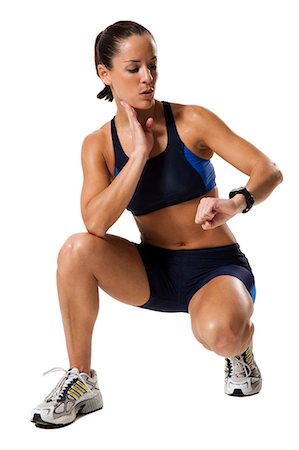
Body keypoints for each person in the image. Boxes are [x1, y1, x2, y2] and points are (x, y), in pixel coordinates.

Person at [31, 20, 283, 428]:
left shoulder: (191, 120)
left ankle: (241, 351)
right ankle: (81, 378)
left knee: (222, 334)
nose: (147, 77)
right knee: (76, 249)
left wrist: (236, 203)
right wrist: (137, 156)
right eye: (134, 68)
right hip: (152, 271)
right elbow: (95, 223)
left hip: (214, 267)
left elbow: (268, 170)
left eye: (153, 65)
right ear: (104, 73)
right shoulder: (98, 145)